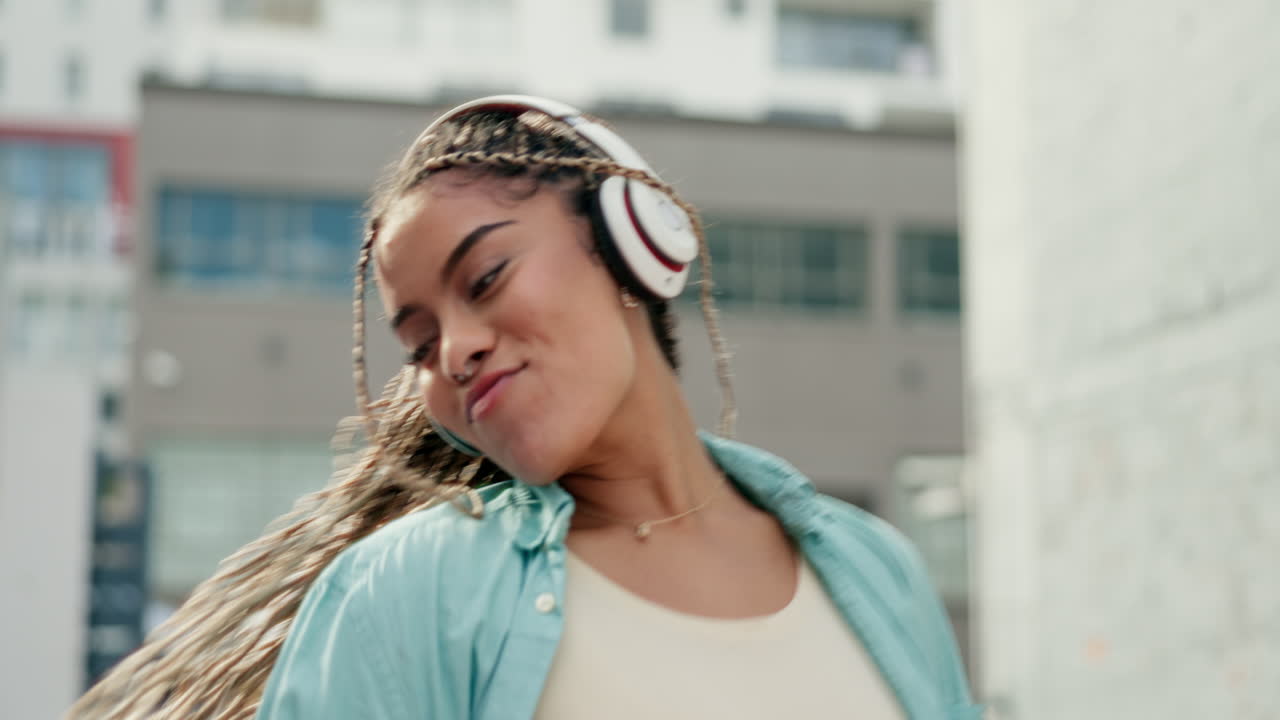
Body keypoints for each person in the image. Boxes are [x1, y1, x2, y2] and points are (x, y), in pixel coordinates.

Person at [68, 96, 978, 720]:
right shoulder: (402, 598)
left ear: (632, 243)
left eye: (487, 276)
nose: (454, 352)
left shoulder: (878, 573)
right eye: (419, 343)